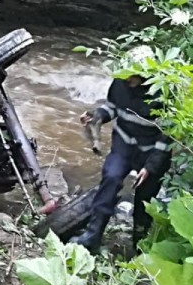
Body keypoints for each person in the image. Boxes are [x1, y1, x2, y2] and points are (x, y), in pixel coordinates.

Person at [70, 72, 172, 254]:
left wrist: (150, 167)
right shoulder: (120, 83)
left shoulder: (163, 91)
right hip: (123, 145)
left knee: (145, 200)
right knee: (110, 177)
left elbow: (167, 136)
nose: (126, 81)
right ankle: (92, 236)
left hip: (151, 152)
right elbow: (113, 107)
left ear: (144, 75)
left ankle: (139, 245)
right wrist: (96, 115)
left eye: (130, 77)